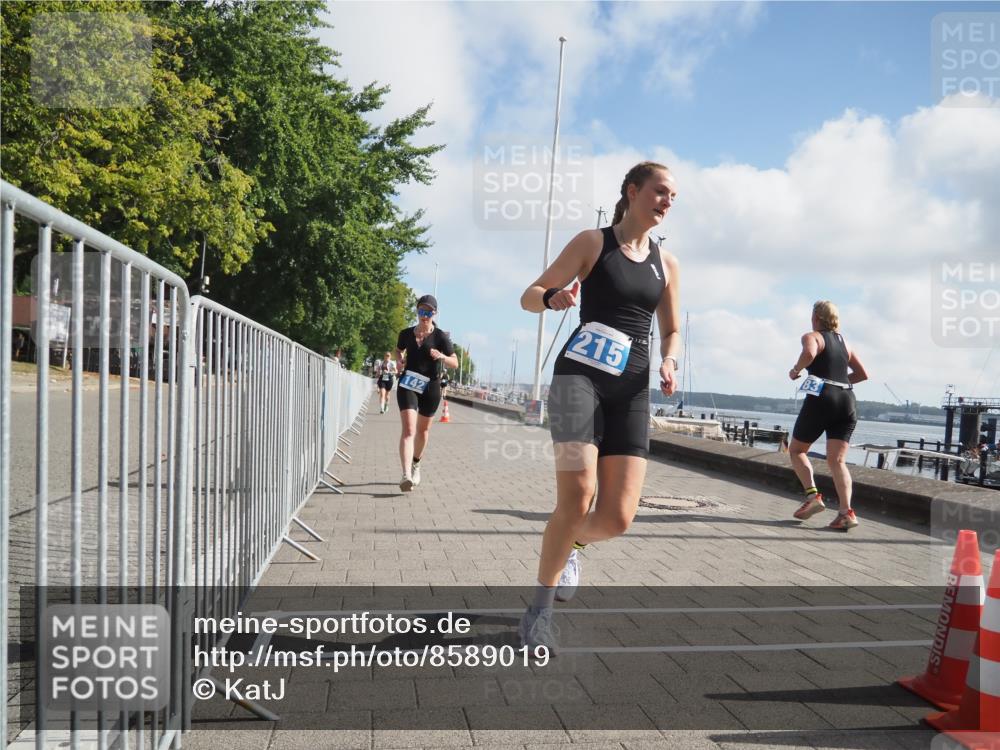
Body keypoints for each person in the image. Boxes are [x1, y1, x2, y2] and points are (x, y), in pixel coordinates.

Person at [518, 161, 681, 650]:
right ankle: (539, 611)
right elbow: (528, 295)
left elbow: (671, 329)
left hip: (631, 389)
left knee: (617, 518)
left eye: (673, 197)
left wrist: (670, 361)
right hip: (578, 381)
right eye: (660, 191)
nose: (667, 202)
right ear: (633, 192)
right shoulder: (593, 243)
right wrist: (553, 300)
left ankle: (571, 545)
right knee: (578, 494)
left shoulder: (667, 264)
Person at [788, 301, 869, 530]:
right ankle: (846, 513)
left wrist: (796, 370)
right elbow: (863, 374)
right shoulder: (845, 343)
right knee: (837, 461)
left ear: (816, 316)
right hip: (847, 400)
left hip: (822, 398)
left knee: (796, 450)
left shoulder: (812, 336)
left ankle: (813, 496)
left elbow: (809, 353)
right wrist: (839, 384)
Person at [395, 295, 458, 491]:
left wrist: (442, 356)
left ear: (435, 313)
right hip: (408, 383)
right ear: (417, 311)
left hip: (431, 386)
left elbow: (455, 362)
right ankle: (406, 475)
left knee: (422, 431)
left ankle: (416, 463)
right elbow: (398, 350)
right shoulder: (406, 334)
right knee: (409, 430)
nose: (425, 315)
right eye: (422, 311)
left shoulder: (440, 337)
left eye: (429, 312)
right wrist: (399, 359)